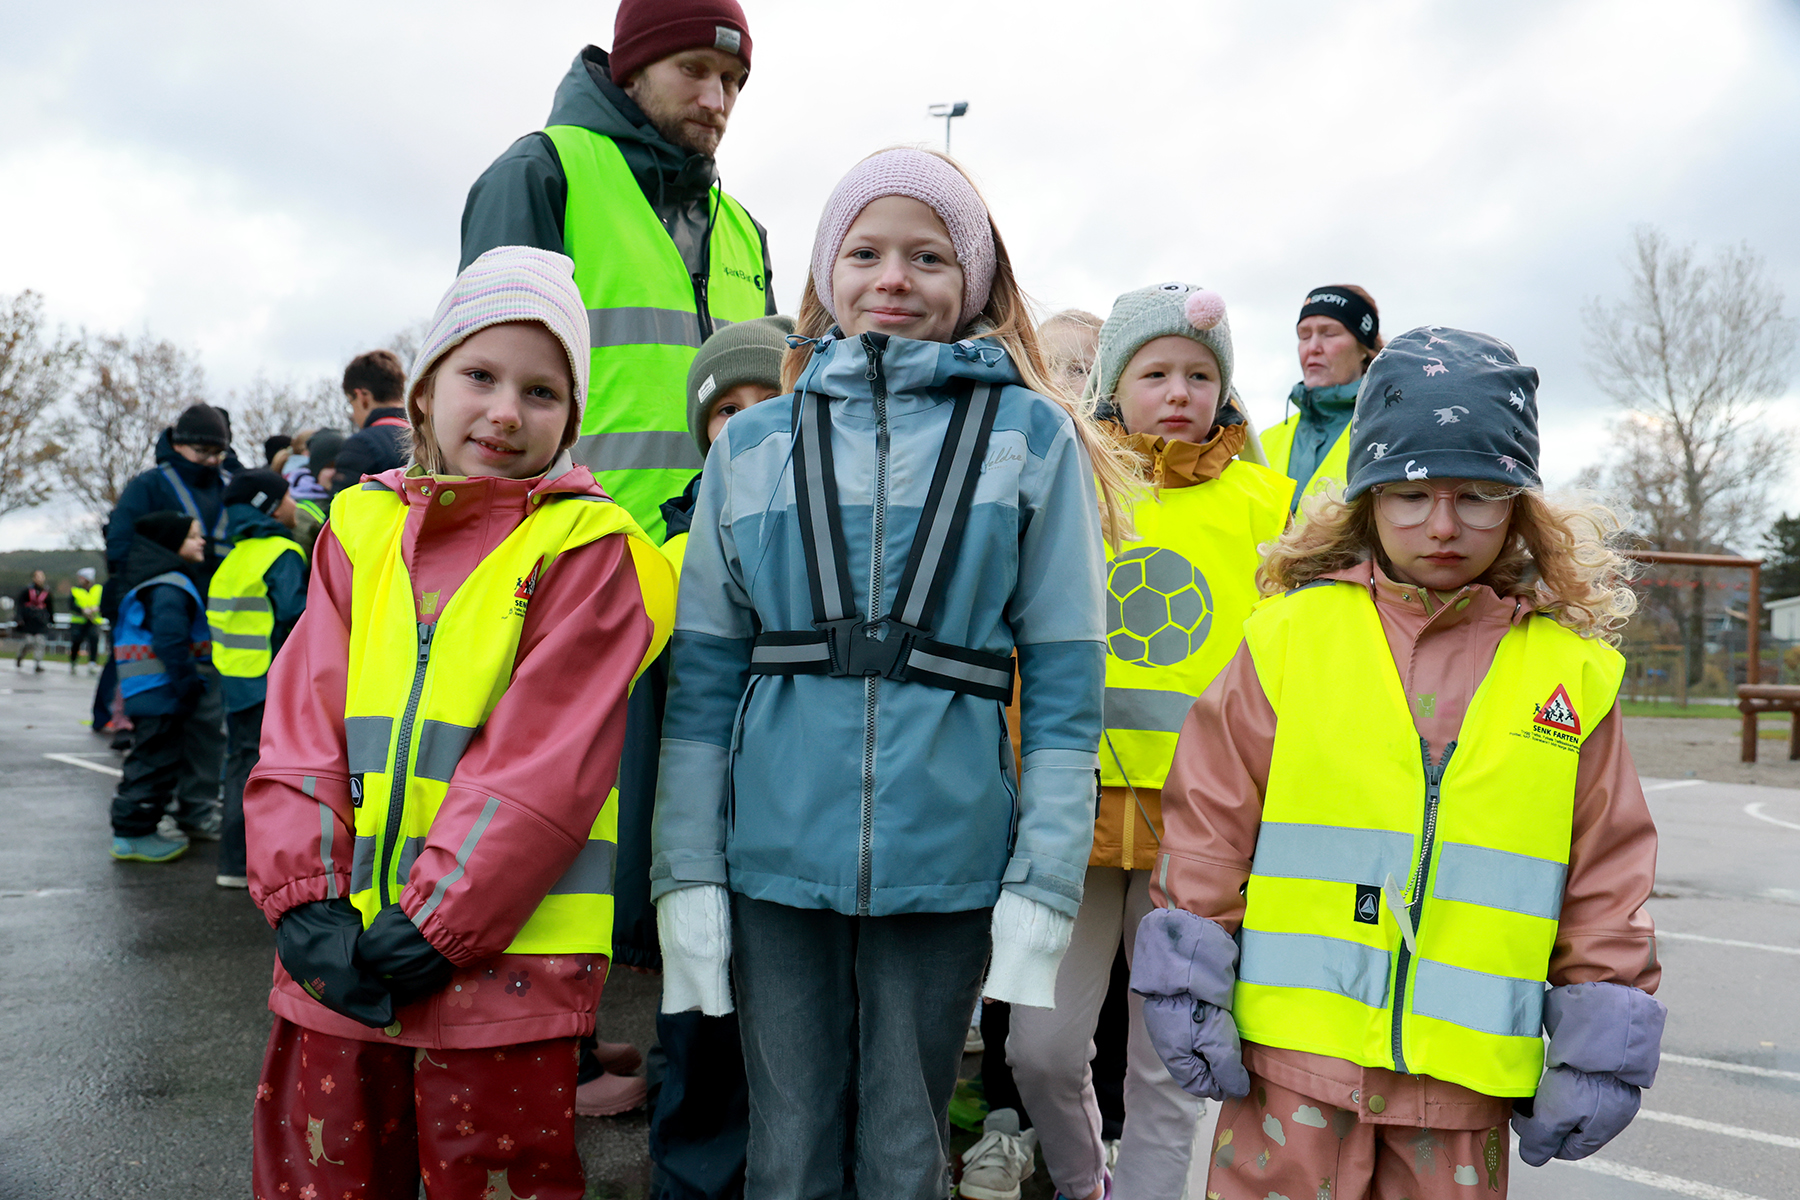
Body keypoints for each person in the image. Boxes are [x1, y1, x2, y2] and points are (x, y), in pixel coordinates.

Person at [650, 146, 1139, 1198]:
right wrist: (684, 869)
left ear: (973, 278)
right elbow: (700, 689)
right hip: (771, 850)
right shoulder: (753, 446)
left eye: (927, 255)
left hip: (949, 852)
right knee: (785, 1144)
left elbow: (1064, 691)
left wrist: (1045, 883)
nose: (892, 278)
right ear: (825, 274)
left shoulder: (1031, 440)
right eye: (864, 252)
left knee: (908, 1140)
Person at [1133, 327, 1663, 1200]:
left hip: (1461, 1091)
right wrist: (1190, 978)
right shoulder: (1289, 641)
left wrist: (1601, 1041)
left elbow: (1608, 871)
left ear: (1521, 504)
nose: (1444, 524)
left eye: (1480, 495)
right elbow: (1210, 823)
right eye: (1412, 495)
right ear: (1369, 497)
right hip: (1291, 1068)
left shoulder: (1571, 676)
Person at [245, 247, 675, 1200]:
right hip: (344, 955)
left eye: (543, 391)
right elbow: (303, 720)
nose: (506, 413)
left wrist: (439, 921)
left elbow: (542, 763)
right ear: (429, 385)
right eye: (480, 375)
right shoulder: (357, 531)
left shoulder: (590, 551)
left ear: (573, 415)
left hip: (502, 976)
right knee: (329, 1175)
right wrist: (303, 898)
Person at [990, 283, 1292, 1200]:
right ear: (1113, 388)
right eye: (1154, 371)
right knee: (1038, 1049)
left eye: (1200, 374)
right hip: (1071, 822)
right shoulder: (1072, 480)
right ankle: (1088, 1181)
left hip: (1199, 831)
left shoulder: (1269, 507)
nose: (1179, 391)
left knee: (1168, 1060)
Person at [459, 0, 776, 540]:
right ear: (632, 69)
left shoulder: (745, 229)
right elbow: (486, 405)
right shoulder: (541, 174)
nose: (715, 100)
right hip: (578, 567)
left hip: (728, 566)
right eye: (693, 69)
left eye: (732, 79)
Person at [207, 469, 307, 891]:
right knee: (282, 775)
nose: (294, 504)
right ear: (270, 506)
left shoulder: (233, 558)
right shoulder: (282, 552)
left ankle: (233, 863)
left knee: (239, 770)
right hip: (273, 683)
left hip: (236, 682)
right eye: (286, 496)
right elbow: (298, 616)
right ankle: (275, 868)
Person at [108, 512, 215, 863]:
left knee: (153, 759)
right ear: (171, 544)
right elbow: (171, 639)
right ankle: (132, 834)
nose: (203, 541)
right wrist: (187, 686)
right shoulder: (170, 586)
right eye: (193, 536)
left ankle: (139, 828)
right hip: (162, 692)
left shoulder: (158, 582)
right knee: (153, 763)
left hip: (149, 692)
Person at [1260, 284, 1386, 512]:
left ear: (1364, 349)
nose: (1313, 348)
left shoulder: (1389, 432)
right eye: (1304, 336)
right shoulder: (1263, 442)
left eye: (1329, 333)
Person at [105, 402, 234, 591]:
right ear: (178, 444)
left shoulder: (232, 485)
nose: (212, 460)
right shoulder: (147, 486)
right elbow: (121, 546)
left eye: (218, 453)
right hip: (172, 599)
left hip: (227, 602)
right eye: (202, 451)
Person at [328, 350, 411, 495]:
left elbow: (339, 512)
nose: (353, 415)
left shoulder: (361, 445)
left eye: (351, 402)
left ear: (363, 397)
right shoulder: (432, 437)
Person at [13, 569, 52, 672]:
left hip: (40, 621)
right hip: (28, 621)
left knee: (40, 642)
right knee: (28, 642)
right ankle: (20, 656)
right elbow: (19, 605)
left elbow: (50, 608)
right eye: (38, 576)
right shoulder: (27, 591)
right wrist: (19, 618)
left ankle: (38, 663)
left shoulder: (46, 592)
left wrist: (51, 620)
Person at [68, 567, 106, 673]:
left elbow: (104, 602)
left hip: (94, 620)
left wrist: (97, 608)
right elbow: (71, 605)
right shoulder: (75, 590)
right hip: (79, 621)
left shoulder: (99, 589)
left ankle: (93, 662)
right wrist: (81, 610)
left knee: (94, 639)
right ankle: (73, 661)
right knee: (76, 641)